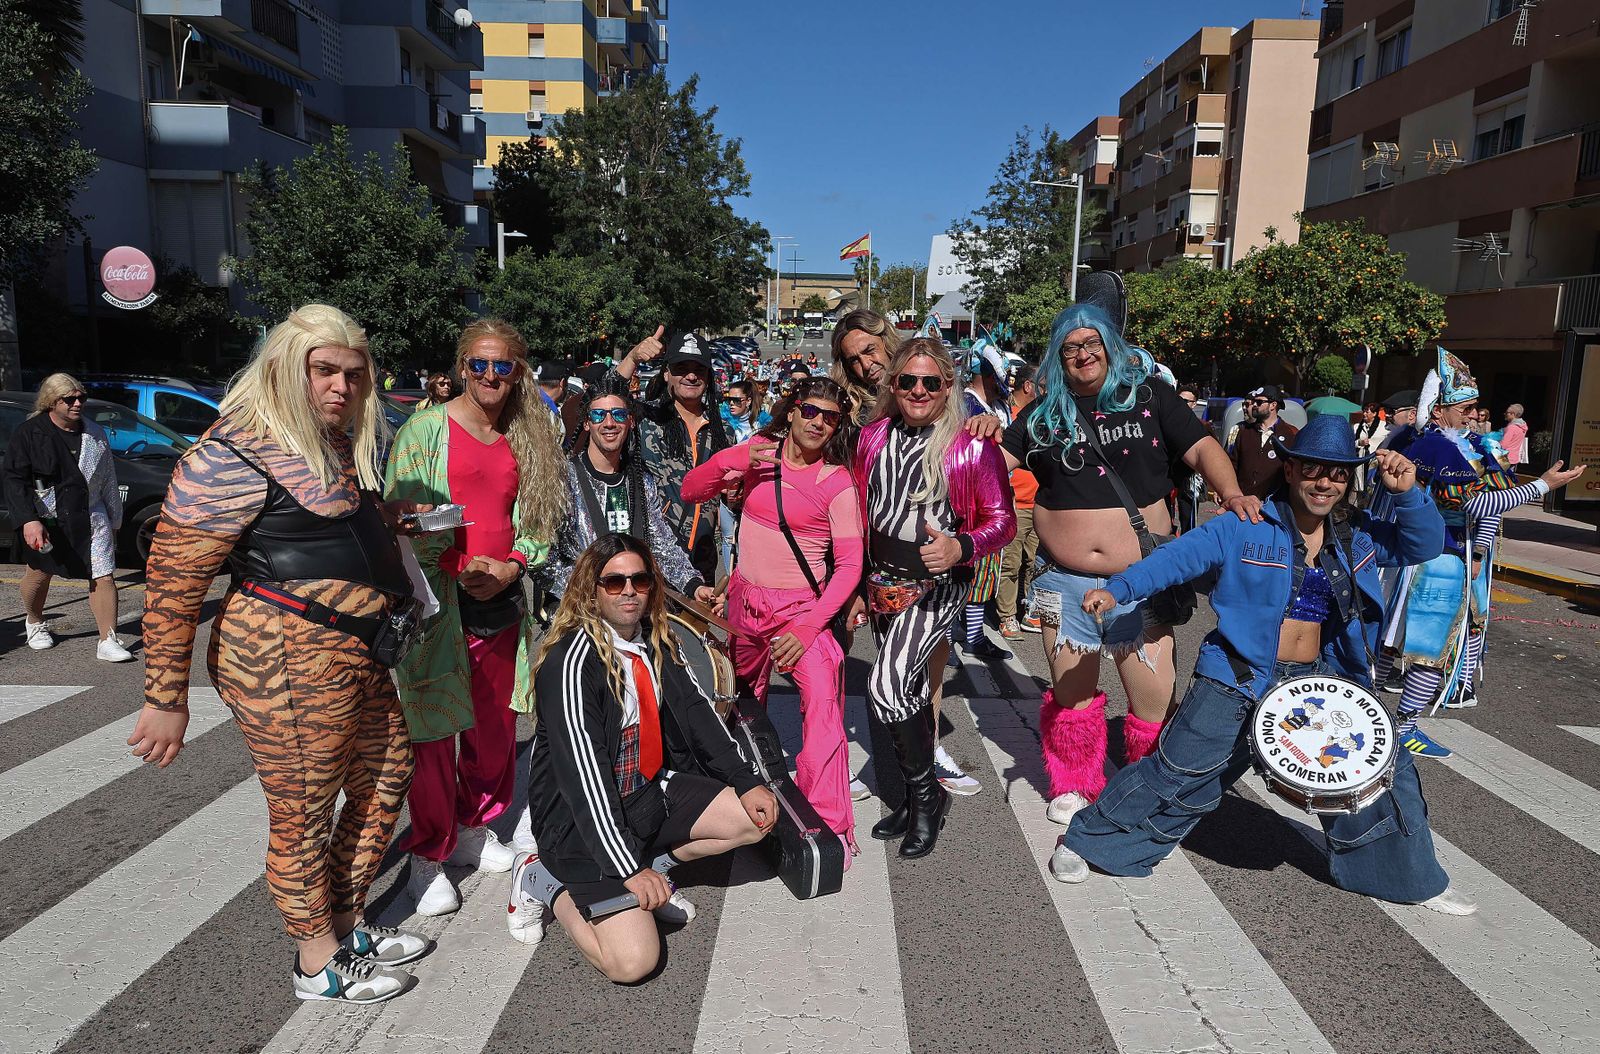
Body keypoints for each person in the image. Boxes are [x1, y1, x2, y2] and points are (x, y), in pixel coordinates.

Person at [1050, 417, 1477, 916]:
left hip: (1318, 679)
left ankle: (1405, 878)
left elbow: (1423, 545)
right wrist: (1118, 590)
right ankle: (1087, 843)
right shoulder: (1245, 524)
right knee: (1180, 770)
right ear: (1291, 470)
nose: (1325, 482)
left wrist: (1408, 494)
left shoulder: (1356, 535)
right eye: (1313, 469)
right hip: (1238, 674)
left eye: (1338, 473)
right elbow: (1176, 559)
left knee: (1380, 773)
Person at [133, 305, 427, 1004]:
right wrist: (164, 696)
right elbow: (174, 579)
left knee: (388, 774)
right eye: (323, 370)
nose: (341, 387)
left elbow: (318, 524)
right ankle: (316, 959)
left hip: (356, 651)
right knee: (303, 807)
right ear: (283, 369)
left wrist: (381, 522)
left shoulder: (330, 442)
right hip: (283, 656)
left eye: (353, 374)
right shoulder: (230, 452)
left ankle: (346, 921)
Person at [1001, 303, 1260, 829]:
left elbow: (1203, 447)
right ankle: (1075, 783)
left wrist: (1230, 491)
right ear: (1057, 357)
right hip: (1065, 581)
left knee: (1151, 699)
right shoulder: (1042, 416)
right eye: (1070, 347)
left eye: (1091, 342)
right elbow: (989, 468)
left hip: (1142, 579)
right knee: (1072, 696)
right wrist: (977, 435)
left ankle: (1147, 784)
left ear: (1110, 346)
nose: (1082, 354)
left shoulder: (1150, 397)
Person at [505, 535, 777, 980]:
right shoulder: (571, 663)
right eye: (614, 582)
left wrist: (746, 781)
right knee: (633, 963)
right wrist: (628, 868)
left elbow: (698, 714)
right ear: (591, 589)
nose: (629, 590)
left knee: (755, 818)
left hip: (644, 790)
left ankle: (654, 873)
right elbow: (585, 779)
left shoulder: (654, 638)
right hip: (578, 823)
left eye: (640, 580)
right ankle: (541, 881)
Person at [384, 319, 568, 916]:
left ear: (518, 372)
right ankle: (428, 854)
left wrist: (515, 565)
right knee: (435, 730)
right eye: (479, 364)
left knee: (494, 726)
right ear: (462, 367)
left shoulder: (527, 436)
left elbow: (537, 517)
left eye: (502, 365)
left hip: (500, 600)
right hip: (437, 602)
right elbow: (399, 517)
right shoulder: (424, 430)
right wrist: (457, 563)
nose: (490, 375)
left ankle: (473, 825)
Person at [683, 377, 864, 856]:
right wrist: (735, 459)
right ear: (793, 410)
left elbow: (849, 567)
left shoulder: (836, 482)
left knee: (823, 706)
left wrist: (807, 628)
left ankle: (825, 827)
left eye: (830, 417)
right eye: (811, 410)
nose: (818, 422)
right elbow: (691, 489)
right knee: (738, 700)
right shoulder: (759, 451)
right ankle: (738, 798)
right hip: (744, 603)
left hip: (801, 611)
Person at [1378, 350, 1586, 756]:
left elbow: (1493, 503)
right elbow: (1477, 504)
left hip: (1441, 555)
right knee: (1422, 647)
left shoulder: (1466, 444)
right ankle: (1399, 726)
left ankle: (1391, 719)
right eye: (1466, 408)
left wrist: (1482, 548)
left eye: (1475, 407)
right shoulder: (1436, 449)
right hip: (1434, 558)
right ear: (1438, 411)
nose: (1474, 415)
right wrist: (1542, 486)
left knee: (1405, 637)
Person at [855, 338, 1015, 858]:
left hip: (937, 584)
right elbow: (857, 509)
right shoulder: (872, 437)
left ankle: (927, 797)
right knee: (905, 691)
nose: (918, 390)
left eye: (930, 381)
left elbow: (1003, 521)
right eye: (908, 380)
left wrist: (960, 546)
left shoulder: (972, 445)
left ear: (949, 386)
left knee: (885, 687)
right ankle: (912, 796)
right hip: (882, 582)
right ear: (893, 385)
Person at [3, 373, 131, 660]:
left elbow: (108, 478)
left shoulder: (94, 433)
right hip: (47, 517)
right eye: (69, 399)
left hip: (91, 514)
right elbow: (14, 480)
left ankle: (108, 639)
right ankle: (35, 621)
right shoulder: (29, 433)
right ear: (51, 401)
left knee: (103, 574)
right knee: (40, 573)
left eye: (80, 398)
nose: (77, 403)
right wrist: (28, 520)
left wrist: (115, 518)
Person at [612, 328, 732, 585]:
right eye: (681, 368)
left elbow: (728, 497)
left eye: (699, 369)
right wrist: (632, 358)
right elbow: (603, 398)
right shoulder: (643, 418)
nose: (691, 376)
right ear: (666, 373)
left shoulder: (723, 432)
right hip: (650, 565)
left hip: (702, 566)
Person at [999, 364, 1042, 640]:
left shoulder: (1043, 416)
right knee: (1011, 564)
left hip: (1040, 506)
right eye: (1043, 387)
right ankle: (1007, 616)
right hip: (1015, 506)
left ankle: (1030, 610)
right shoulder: (1006, 416)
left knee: (1035, 563)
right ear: (1028, 386)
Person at [1227, 384, 1299, 500]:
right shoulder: (1243, 431)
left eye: (1259, 402)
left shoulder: (1290, 434)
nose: (1254, 405)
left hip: (1274, 503)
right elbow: (1231, 464)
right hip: (1242, 501)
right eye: (1254, 401)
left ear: (1273, 405)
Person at [831, 309, 898, 429]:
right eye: (854, 360)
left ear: (887, 342)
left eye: (869, 350)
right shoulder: (851, 413)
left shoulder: (922, 387)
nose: (866, 365)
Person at [1171, 387, 1204, 535]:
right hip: (1168, 478)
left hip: (1189, 480)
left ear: (1194, 404)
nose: (1182, 403)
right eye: (1179, 400)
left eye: (1187, 401)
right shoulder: (1166, 422)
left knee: (1188, 520)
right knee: (1166, 519)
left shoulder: (1201, 426)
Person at [1353, 402, 1389, 497]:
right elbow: (1351, 443)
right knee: (1358, 489)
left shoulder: (1384, 427)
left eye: (1367, 412)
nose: (1364, 414)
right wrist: (1359, 443)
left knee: (1371, 489)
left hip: (1375, 463)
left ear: (1374, 413)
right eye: (1364, 411)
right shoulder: (1357, 427)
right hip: (1360, 461)